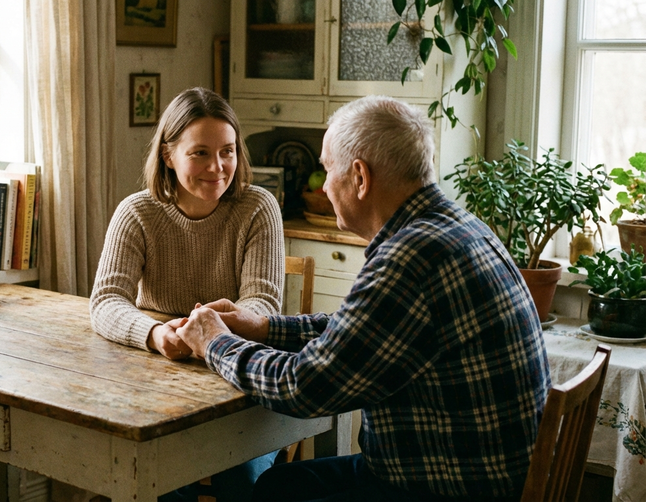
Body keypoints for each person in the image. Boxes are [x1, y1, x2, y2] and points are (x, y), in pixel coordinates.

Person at [176, 95, 552, 502]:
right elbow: (356, 332)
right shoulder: (454, 226)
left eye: (326, 169)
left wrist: (215, 342)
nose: (324, 184)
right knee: (277, 486)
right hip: (471, 471)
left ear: (359, 176)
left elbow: (303, 387)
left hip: (449, 487)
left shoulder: (410, 257)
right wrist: (264, 326)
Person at [89, 87, 284, 501]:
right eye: (200, 153)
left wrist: (210, 331)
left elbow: (263, 305)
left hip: (239, 389)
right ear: (168, 155)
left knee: (244, 485)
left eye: (228, 151)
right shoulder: (136, 213)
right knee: (158, 484)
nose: (218, 167)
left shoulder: (258, 207)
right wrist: (156, 334)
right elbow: (106, 301)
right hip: (154, 393)